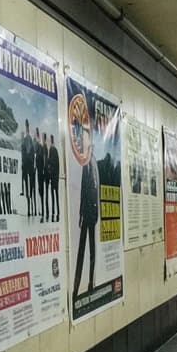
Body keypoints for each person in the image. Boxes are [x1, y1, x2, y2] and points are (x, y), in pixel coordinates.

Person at [72, 119, 99, 299]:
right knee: (82, 251)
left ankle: (90, 283)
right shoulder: (86, 164)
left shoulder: (93, 164)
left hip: (92, 214)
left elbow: (95, 190)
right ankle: (76, 287)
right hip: (87, 213)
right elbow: (83, 190)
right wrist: (81, 213)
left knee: (91, 251)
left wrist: (93, 214)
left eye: (87, 141)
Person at [20, 119, 35, 216]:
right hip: (28, 166)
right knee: (29, 187)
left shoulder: (26, 141)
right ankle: (30, 208)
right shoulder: (27, 140)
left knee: (28, 187)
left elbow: (28, 154)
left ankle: (30, 209)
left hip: (27, 166)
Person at [34, 125, 47, 221]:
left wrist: (42, 170)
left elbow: (44, 161)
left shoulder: (42, 149)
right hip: (39, 173)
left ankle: (43, 213)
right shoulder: (38, 149)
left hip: (42, 174)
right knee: (40, 192)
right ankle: (42, 211)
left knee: (42, 193)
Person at [46, 133, 60, 222]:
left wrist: (48, 165)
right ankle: (57, 212)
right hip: (56, 177)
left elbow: (50, 163)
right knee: (56, 195)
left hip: (53, 177)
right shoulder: (56, 150)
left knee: (53, 195)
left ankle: (54, 213)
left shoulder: (51, 150)